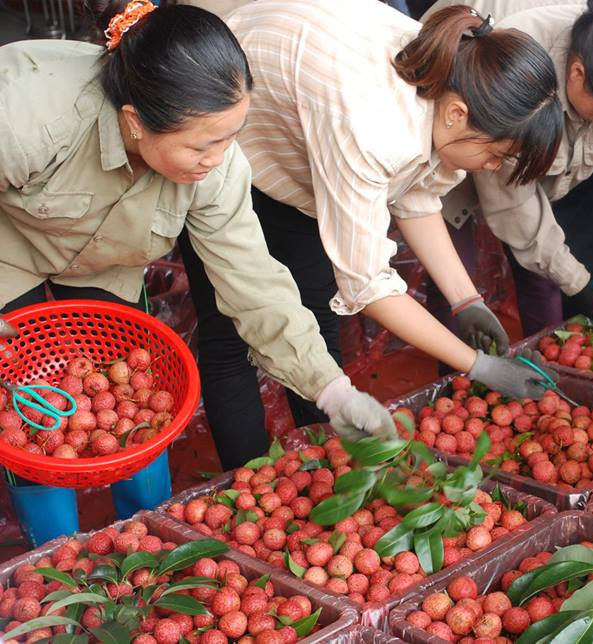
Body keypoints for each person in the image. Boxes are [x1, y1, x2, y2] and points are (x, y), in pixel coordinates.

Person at [0, 0, 396, 473]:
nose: (219, 157)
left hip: (108, 262)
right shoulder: (26, 115)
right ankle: (45, 525)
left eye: (231, 137)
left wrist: (332, 391)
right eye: (203, 145)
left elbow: (252, 281)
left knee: (130, 408)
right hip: (9, 247)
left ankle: (137, 506)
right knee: (23, 408)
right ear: (135, 123)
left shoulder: (219, 169)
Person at [193, 0, 562, 443]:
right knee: (230, 328)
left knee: (316, 306)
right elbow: (368, 286)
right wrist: (478, 365)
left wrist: (467, 301)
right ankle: (250, 474)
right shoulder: (373, 125)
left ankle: (320, 459)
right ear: (458, 115)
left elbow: (416, 196)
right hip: (227, 127)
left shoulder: (449, 82)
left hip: (298, 138)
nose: (489, 166)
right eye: (496, 155)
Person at [422, 0, 593, 335]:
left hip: (505, 148)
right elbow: (513, 202)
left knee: (543, 273)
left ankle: (543, 373)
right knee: (454, 276)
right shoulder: (521, 71)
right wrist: (578, 281)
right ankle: (456, 377)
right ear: (577, 74)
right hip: (455, 137)